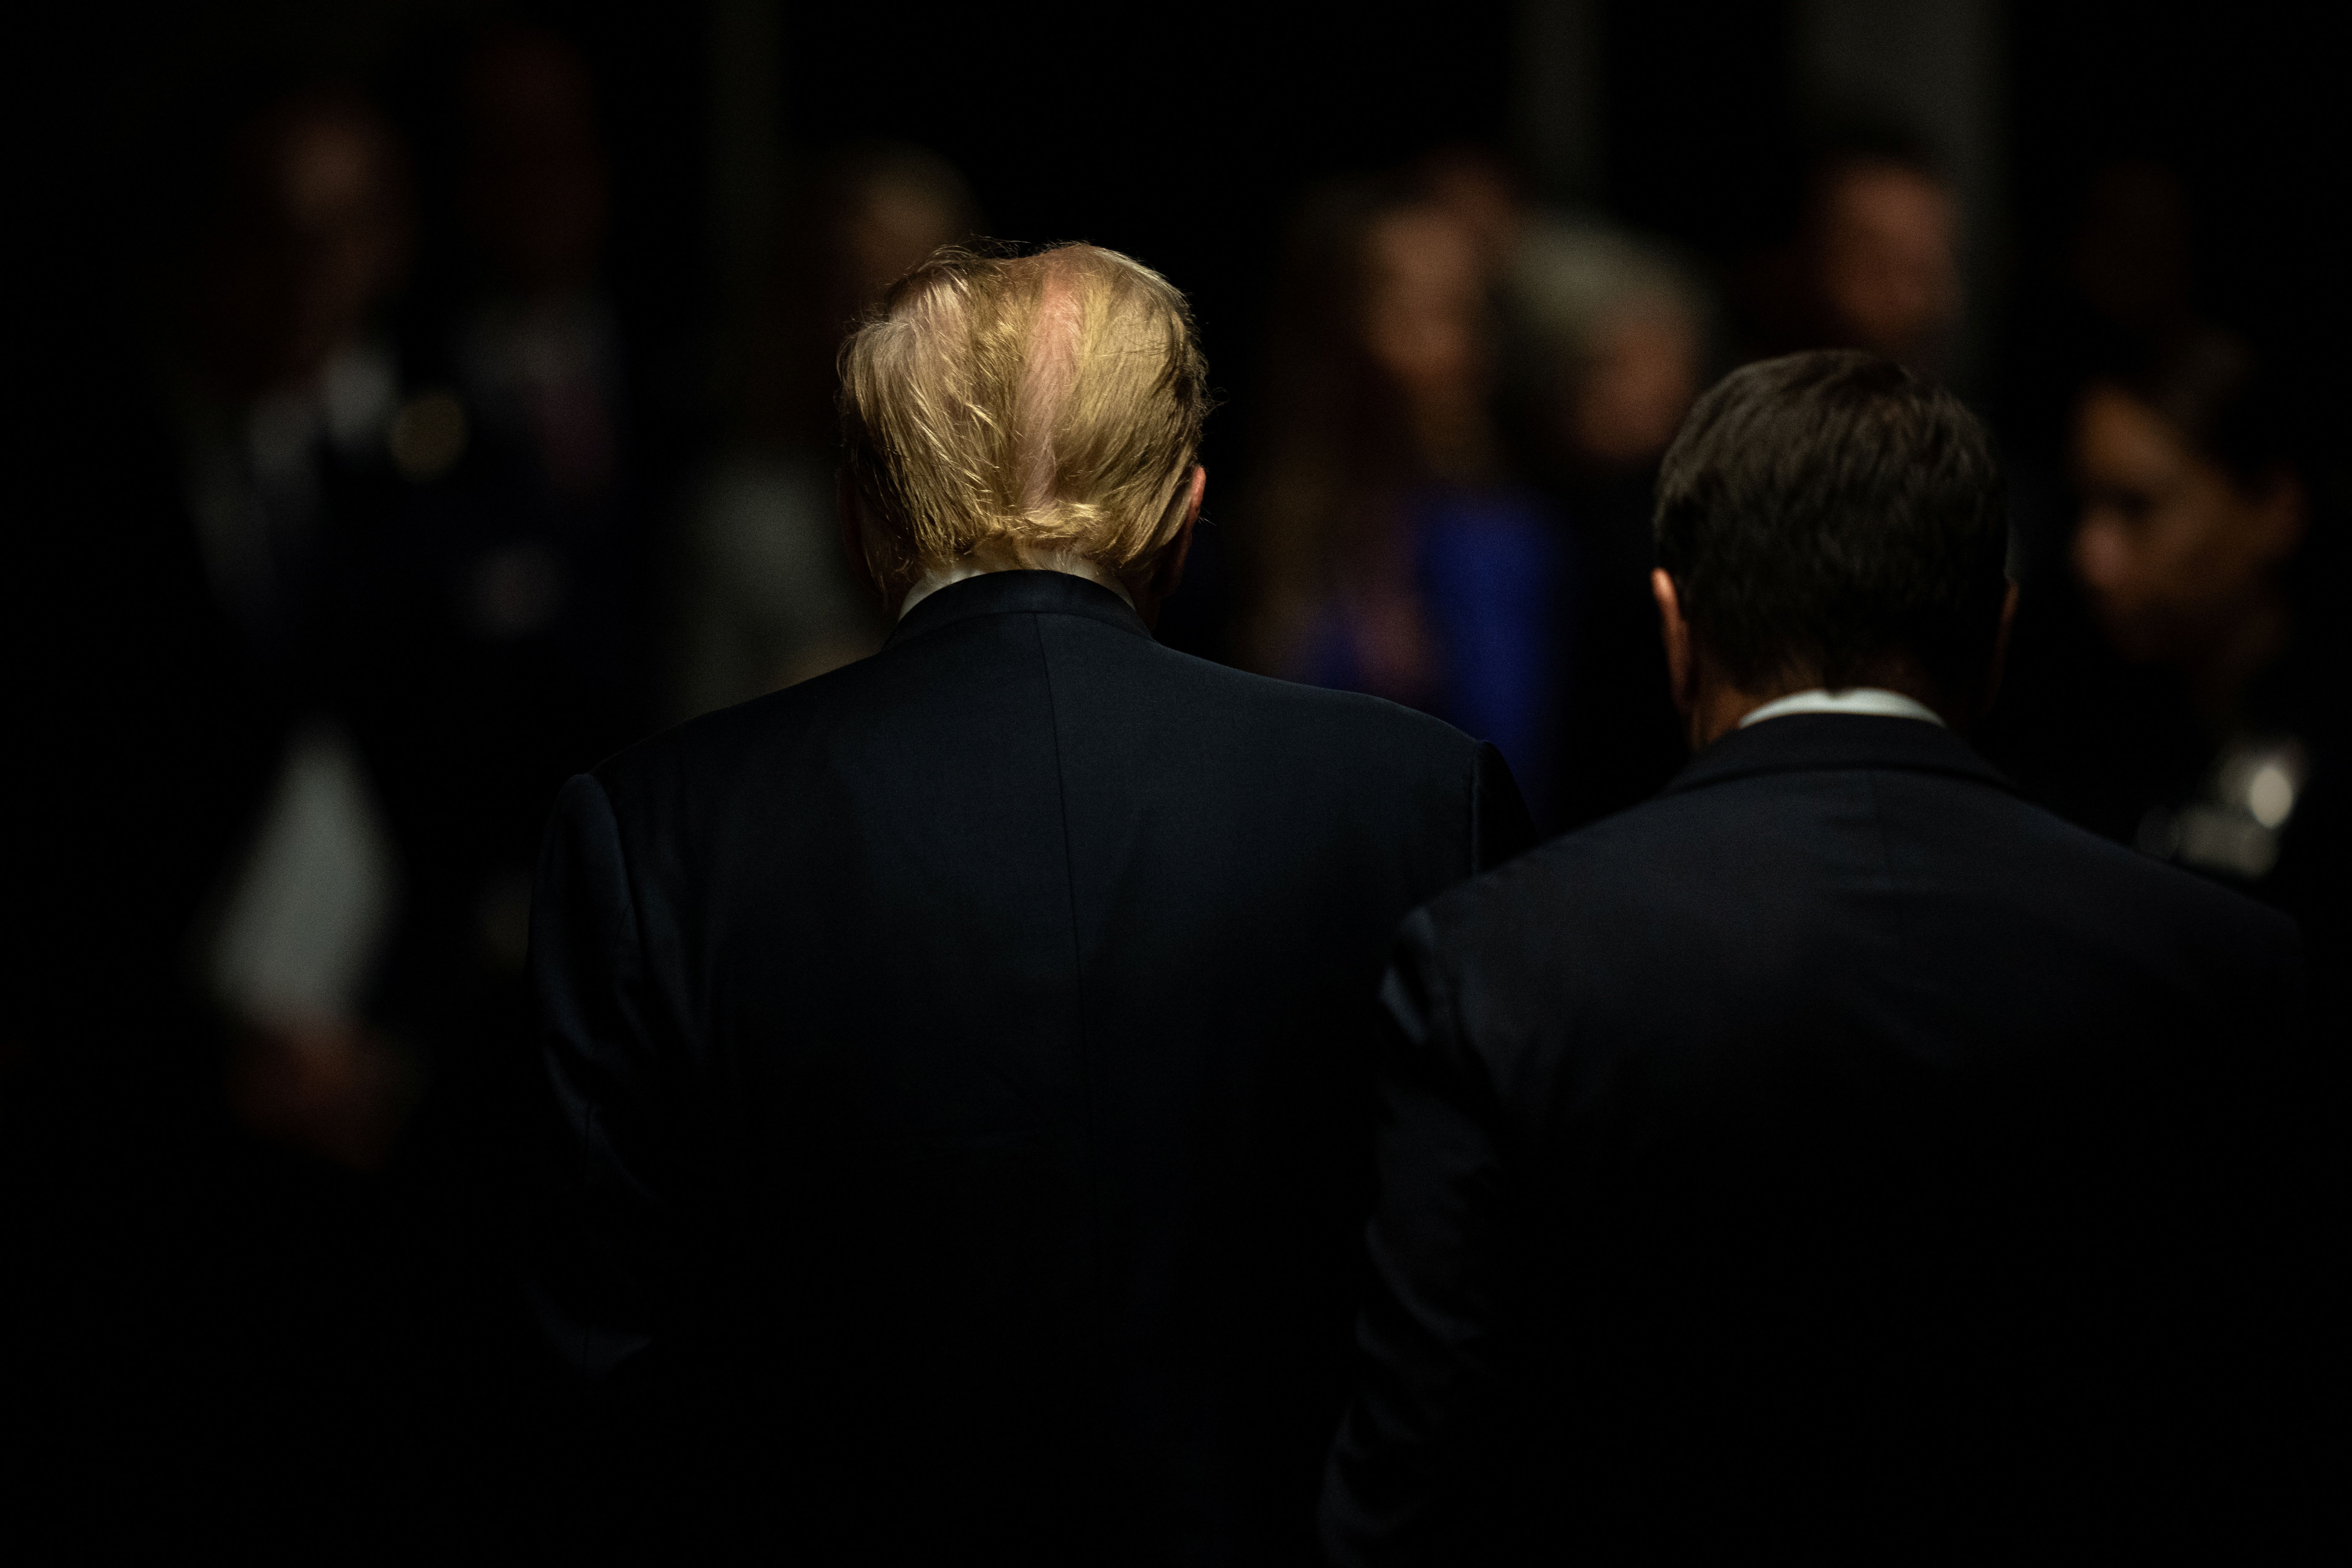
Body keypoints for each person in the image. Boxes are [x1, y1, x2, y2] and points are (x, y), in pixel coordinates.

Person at [523, 242, 1534, 1560]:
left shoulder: (654, 831)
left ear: (861, 522)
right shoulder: (1420, 798)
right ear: (1186, 512)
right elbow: (1494, 1314)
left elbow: (603, 1375)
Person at [1320, 351, 2310, 1562]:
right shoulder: (2226, 968)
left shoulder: (1498, 960)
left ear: (1676, 630)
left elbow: (1416, 1488)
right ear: (1996, 637)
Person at [1243, 180, 1566, 824]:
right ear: (1337, 325)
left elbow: (1511, 764)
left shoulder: (1498, 539)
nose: (1447, 348)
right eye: (1410, 310)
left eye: (1460, 314)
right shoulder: (1270, 522)